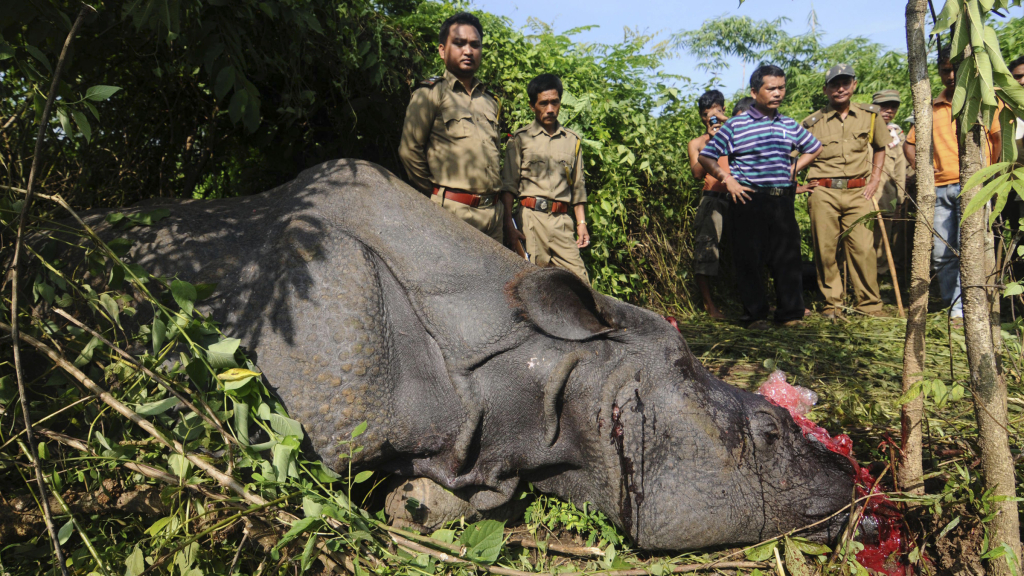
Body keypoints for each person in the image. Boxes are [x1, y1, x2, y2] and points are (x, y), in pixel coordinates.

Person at [699, 65, 822, 329]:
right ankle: (755, 316)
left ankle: (790, 314)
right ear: (755, 92)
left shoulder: (788, 124)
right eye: (771, 88)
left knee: (786, 257)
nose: (778, 93)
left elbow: (814, 147)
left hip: (782, 200)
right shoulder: (735, 125)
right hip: (749, 200)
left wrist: (794, 168)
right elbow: (706, 156)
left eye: (781, 87)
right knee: (749, 258)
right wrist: (728, 179)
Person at [904, 46, 1002, 321]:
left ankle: (964, 311)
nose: (950, 75)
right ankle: (953, 307)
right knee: (941, 253)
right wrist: (924, 171)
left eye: (955, 68)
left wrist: (990, 177)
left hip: (974, 187)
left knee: (971, 250)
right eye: (945, 69)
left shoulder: (986, 100)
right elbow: (909, 144)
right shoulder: (931, 107)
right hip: (938, 189)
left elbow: (998, 140)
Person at [399, 12, 504, 244]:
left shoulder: (490, 100)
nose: (468, 51)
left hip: (494, 216)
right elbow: (409, 151)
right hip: (454, 214)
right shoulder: (430, 93)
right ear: (442, 50)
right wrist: (438, 196)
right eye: (459, 43)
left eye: (475, 45)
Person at [800, 64, 891, 321]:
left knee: (863, 248)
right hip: (823, 193)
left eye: (845, 83)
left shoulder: (870, 116)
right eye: (834, 84)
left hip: (858, 192)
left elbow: (881, 146)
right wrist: (796, 184)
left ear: (854, 84)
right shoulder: (812, 123)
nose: (839, 88)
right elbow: (792, 156)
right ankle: (832, 304)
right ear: (825, 89)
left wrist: (874, 180)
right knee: (826, 249)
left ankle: (869, 305)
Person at [500, 74, 590, 281]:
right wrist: (508, 226)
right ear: (532, 106)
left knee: (582, 284)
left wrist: (581, 223)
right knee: (530, 283)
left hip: (562, 224)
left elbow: (578, 186)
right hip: (530, 221)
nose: (550, 109)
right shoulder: (520, 139)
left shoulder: (572, 141)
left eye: (554, 102)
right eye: (543, 103)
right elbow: (508, 187)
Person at [687, 90, 730, 319]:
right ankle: (709, 305)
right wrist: (712, 143)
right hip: (713, 200)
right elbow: (696, 173)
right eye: (706, 114)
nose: (711, 118)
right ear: (702, 117)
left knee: (748, 250)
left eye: (716, 112)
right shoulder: (697, 143)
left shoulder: (735, 134)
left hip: (739, 198)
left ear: (724, 110)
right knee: (705, 252)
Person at [872, 89, 908, 275]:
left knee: (882, 238)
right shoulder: (862, 128)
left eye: (893, 106)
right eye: (884, 106)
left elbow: (900, 171)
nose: (888, 110)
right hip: (860, 195)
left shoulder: (896, 135)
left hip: (886, 197)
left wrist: (899, 201)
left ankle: (879, 278)